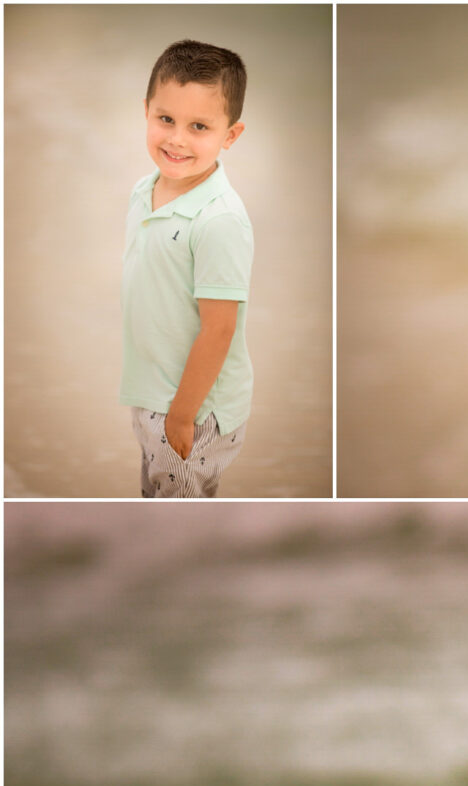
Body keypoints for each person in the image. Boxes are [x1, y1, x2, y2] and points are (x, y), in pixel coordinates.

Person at [122, 39, 254, 497]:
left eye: (198, 126)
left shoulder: (218, 220)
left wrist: (182, 414)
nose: (177, 138)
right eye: (166, 119)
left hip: (192, 407)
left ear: (230, 136)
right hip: (156, 392)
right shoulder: (146, 189)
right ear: (146, 110)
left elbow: (219, 329)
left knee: (176, 506)